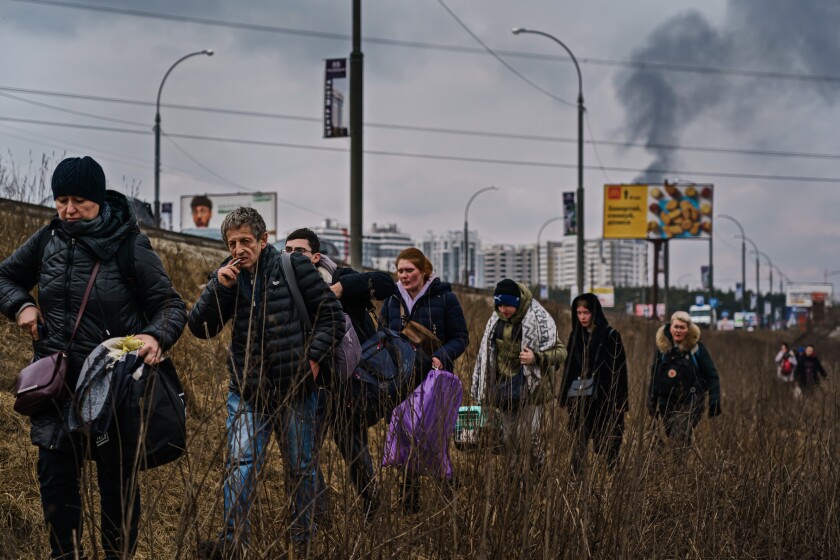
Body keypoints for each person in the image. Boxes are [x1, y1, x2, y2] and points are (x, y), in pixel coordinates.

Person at [0, 156, 187, 559]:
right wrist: (21, 307)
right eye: (61, 200)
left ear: (99, 200)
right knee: (55, 482)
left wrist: (154, 337)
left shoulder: (128, 244)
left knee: (116, 490)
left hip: (114, 390)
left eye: (78, 201)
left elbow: (171, 305)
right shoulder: (48, 239)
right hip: (57, 383)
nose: (68, 210)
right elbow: (5, 276)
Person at [189, 209, 344, 556]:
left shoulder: (293, 266)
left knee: (301, 467)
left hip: (296, 390)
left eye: (246, 241)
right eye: (233, 243)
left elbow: (330, 317)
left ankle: (302, 541)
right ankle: (232, 543)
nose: (239, 249)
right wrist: (218, 287)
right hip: (247, 392)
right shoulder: (229, 278)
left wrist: (313, 363)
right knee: (241, 464)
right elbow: (201, 328)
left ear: (262, 240)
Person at [283, 227, 394, 521]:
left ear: (316, 256)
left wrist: (341, 289)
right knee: (304, 453)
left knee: (355, 452)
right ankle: (318, 515)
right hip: (311, 385)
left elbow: (386, 284)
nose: (293, 256)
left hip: (350, 385)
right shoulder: (282, 284)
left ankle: (373, 509)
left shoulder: (338, 276)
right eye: (288, 250)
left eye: (300, 251)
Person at [379, 247, 469, 513]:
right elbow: (381, 335)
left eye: (410, 270)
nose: (405, 276)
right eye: (401, 271)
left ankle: (449, 496)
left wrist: (442, 356)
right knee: (405, 436)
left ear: (424, 271)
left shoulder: (445, 298)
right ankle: (409, 505)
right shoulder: (392, 300)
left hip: (434, 381)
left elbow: (461, 337)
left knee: (432, 437)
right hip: (401, 380)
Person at [471, 279, 566, 474]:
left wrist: (536, 357)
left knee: (528, 437)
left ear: (517, 302)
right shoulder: (494, 322)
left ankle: (539, 472)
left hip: (532, 390)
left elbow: (561, 352)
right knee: (507, 439)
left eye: (508, 305)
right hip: (505, 390)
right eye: (499, 304)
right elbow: (485, 356)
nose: (503, 309)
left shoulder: (539, 319)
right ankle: (513, 481)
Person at [559, 293, 627, 474]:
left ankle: (613, 480)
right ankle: (576, 481)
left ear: (594, 312)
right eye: (579, 312)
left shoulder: (611, 335)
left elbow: (620, 370)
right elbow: (569, 368)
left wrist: (620, 402)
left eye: (586, 312)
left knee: (609, 444)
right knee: (579, 442)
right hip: (580, 398)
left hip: (604, 398)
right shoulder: (576, 336)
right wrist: (563, 395)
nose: (582, 317)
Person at [648, 310, 721, 448]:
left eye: (682, 327)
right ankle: (680, 465)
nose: (678, 330)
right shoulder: (662, 349)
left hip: (692, 402)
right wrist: (652, 400)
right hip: (667, 403)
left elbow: (712, 376)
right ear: (670, 327)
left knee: (679, 434)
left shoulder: (697, 349)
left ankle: (678, 466)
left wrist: (714, 401)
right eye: (676, 327)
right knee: (672, 436)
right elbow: (654, 377)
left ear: (688, 329)